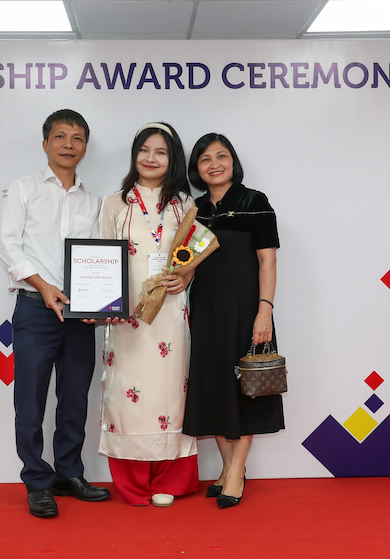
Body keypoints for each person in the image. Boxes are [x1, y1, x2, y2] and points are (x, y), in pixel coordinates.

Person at [0, 109, 111, 518]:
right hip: (35, 310)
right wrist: (44, 287)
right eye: (60, 136)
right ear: (45, 143)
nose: (69, 144)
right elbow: (9, 247)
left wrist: (101, 303)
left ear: (84, 147)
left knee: (75, 400)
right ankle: (37, 480)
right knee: (29, 401)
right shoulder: (23, 189)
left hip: (80, 317)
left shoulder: (95, 201)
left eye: (77, 138)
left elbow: (101, 258)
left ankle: (69, 473)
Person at [97, 122, 199, 507]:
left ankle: (169, 480)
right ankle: (133, 482)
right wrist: (109, 303)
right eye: (144, 150)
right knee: (126, 395)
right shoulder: (114, 203)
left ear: (172, 160)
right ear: (134, 155)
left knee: (171, 391)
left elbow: (194, 255)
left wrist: (185, 277)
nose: (150, 158)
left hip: (171, 314)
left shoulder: (185, 204)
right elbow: (102, 257)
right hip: (126, 318)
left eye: (160, 152)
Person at [181, 133, 284, 509]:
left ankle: (238, 471)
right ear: (197, 169)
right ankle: (227, 469)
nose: (214, 164)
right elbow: (187, 264)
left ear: (233, 162)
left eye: (221, 156)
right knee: (215, 389)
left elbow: (267, 262)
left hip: (246, 310)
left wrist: (265, 310)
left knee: (246, 390)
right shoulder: (195, 210)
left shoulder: (255, 202)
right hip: (206, 311)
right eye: (205, 159)